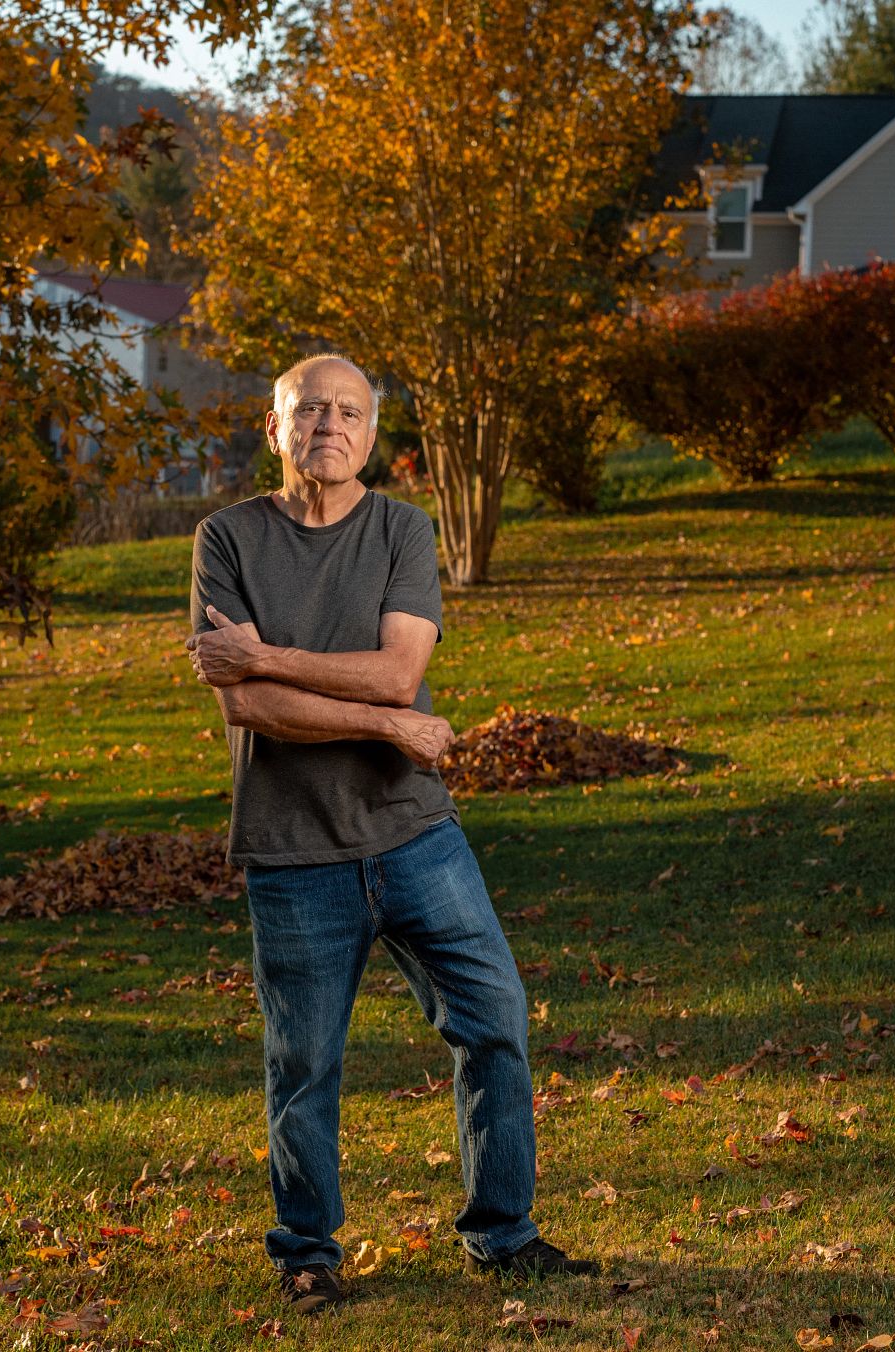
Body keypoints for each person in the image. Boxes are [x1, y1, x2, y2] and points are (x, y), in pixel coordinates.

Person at [185, 353, 598, 1316]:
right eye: (311, 410)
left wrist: (290, 665)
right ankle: (306, 1253)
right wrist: (387, 724)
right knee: (304, 1065)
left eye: (350, 412)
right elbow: (245, 701)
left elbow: (394, 669)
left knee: (494, 1020)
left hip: (416, 838)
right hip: (292, 851)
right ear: (276, 425)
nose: (329, 425)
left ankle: (503, 1236)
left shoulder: (401, 528)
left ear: (373, 432)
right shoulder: (228, 537)